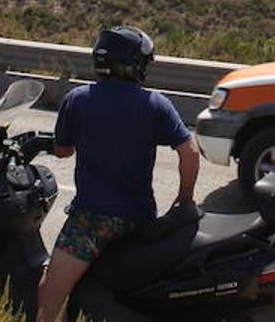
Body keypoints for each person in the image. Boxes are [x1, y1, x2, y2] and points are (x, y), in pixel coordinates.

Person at [36, 25, 201, 322]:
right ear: (134, 64)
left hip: (91, 220)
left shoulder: (78, 99)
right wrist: (184, 197)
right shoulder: (155, 104)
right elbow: (189, 152)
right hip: (140, 218)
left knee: (50, 293)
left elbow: (63, 151)